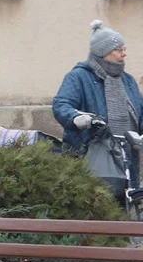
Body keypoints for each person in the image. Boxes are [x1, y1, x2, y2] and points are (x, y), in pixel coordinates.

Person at [52, 20, 143, 187]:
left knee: (129, 199)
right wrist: (75, 118)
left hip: (128, 154)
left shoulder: (127, 80)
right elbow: (61, 105)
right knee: (100, 199)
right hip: (92, 153)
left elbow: (140, 111)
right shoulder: (79, 77)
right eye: (118, 49)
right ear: (103, 52)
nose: (124, 54)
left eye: (124, 49)